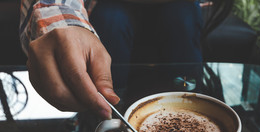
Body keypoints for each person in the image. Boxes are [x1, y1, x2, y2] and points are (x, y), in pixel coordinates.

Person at [19, 0, 206, 119]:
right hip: (108, 11)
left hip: (180, 11)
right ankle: (111, 110)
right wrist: (62, 26)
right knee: (111, 19)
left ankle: (190, 104)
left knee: (182, 18)